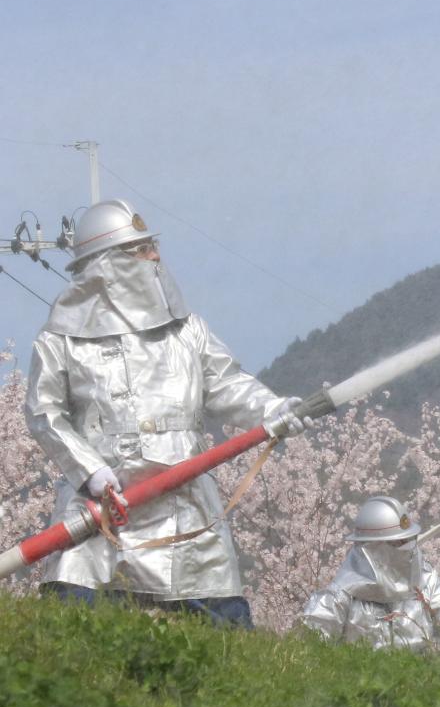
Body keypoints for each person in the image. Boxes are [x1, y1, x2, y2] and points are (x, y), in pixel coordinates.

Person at [26, 199, 308, 628]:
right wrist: (90, 472)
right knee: (70, 627)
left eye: (152, 245)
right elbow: (44, 412)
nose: (155, 256)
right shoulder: (60, 340)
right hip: (103, 504)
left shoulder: (187, 329)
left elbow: (227, 382)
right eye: (141, 249)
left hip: (184, 498)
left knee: (223, 630)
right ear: (108, 264)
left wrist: (273, 409)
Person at [301, 495, 440, 664]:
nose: (408, 549)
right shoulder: (337, 600)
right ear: (373, 548)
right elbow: (306, 655)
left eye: (409, 540)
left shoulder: (425, 582)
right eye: (398, 543)